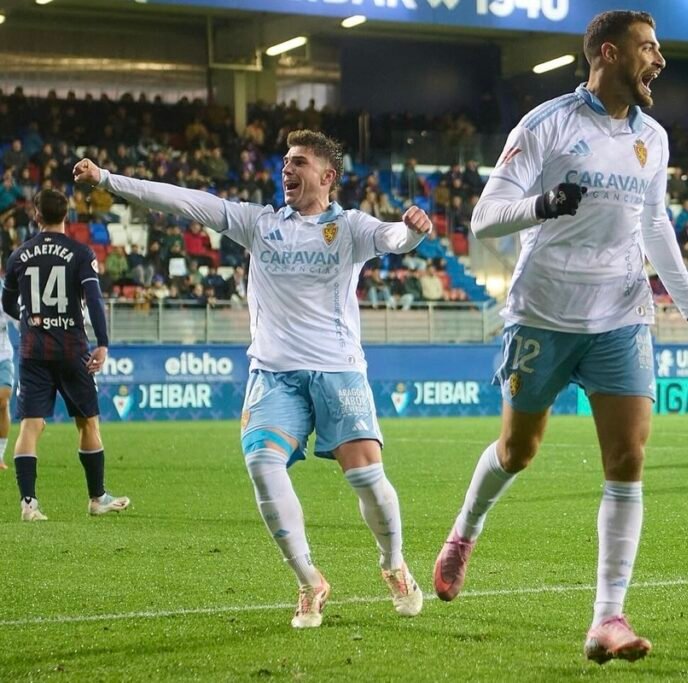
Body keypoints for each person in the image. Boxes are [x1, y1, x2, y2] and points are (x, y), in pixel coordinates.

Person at [432, 10, 688, 665]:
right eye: (650, 49)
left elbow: (654, 226)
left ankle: (607, 618)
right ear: (611, 53)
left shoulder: (654, 137)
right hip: (543, 313)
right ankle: (465, 529)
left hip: (621, 314)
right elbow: (482, 220)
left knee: (627, 460)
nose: (661, 61)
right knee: (518, 448)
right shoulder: (546, 124)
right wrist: (542, 205)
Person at [73, 129, 432, 628]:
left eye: (298, 162)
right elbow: (188, 203)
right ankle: (310, 581)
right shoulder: (260, 223)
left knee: (367, 480)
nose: (286, 168)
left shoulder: (349, 227)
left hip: (338, 370)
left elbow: (392, 238)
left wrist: (412, 229)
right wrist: (109, 180)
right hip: (273, 373)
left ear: (327, 177)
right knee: (262, 465)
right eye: (285, 161)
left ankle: (394, 564)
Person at [1, 189, 129, 521]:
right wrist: (102, 341)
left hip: (33, 350)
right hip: (72, 350)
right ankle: (96, 497)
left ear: (36, 215)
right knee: (87, 421)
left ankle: (29, 504)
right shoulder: (80, 253)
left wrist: (30, 317)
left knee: (31, 425)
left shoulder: (19, 255)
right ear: (67, 215)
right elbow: (95, 300)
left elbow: (7, 304)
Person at [0, 313, 13, 471]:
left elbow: (19, 316)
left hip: (3, 357)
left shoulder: (3, 296)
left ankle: (0, 455)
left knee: (3, 401)